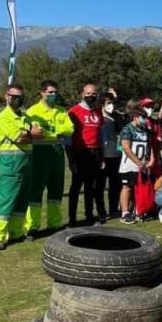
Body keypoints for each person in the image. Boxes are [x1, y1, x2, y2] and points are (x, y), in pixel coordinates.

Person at [0, 84, 41, 250]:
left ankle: (16, 231)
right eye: (14, 96)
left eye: (20, 96)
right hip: (11, 165)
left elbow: (40, 132)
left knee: (21, 200)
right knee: (6, 200)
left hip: (26, 162)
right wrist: (32, 134)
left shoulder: (25, 117)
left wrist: (31, 134)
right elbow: (21, 138)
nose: (18, 99)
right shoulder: (4, 118)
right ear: (7, 96)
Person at [24, 80, 74, 235]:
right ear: (42, 92)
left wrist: (48, 131)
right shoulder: (33, 111)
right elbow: (33, 132)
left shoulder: (61, 110)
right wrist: (55, 132)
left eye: (55, 92)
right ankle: (32, 227)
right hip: (40, 153)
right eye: (50, 92)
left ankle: (54, 223)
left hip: (57, 153)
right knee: (36, 190)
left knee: (56, 189)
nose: (53, 95)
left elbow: (69, 129)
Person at [68, 84, 105, 225]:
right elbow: (68, 137)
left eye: (94, 93)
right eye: (88, 93)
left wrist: (101, 156)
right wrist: (71, 159)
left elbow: (100, 136)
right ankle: (72, 219)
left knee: (91, 187)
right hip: (79, 152)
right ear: (82, 94)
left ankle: (89, 216)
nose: (91, 96)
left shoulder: (98, 111)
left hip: (95, 153)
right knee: (76, 187)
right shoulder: (74, 111)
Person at [118, 107, 154, 224]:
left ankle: (138, 210)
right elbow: (126, 148)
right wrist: (138, 162)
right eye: (143, 118)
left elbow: (149, 147)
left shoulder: (145, 130)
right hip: (129, 164)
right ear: (136, 118)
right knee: (127, 187)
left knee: (139, 188)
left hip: (143, 165)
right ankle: (125, 213)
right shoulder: (127, 129)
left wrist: (150, 160)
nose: (145, 120)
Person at [100, 91, 124, 219]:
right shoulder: (99, 118)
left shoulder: (116, 118)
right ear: (102, 104)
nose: (111, 106)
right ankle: (101, 212)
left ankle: (114, 209)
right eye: (108, 103)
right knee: (100, 186)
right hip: (103, 157)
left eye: (112, 103)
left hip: (115, 155)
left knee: (115, 185)